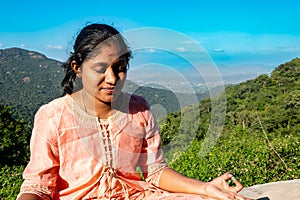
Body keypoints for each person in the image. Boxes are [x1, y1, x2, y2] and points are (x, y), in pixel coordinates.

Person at [17, 23, 252, 200]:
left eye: (119, 69)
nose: (112, 79)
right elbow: (37, 186)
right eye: (100, 68)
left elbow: (155, 171)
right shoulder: (53, 116)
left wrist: (205, 187)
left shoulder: (139, 110)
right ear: (77, 68)